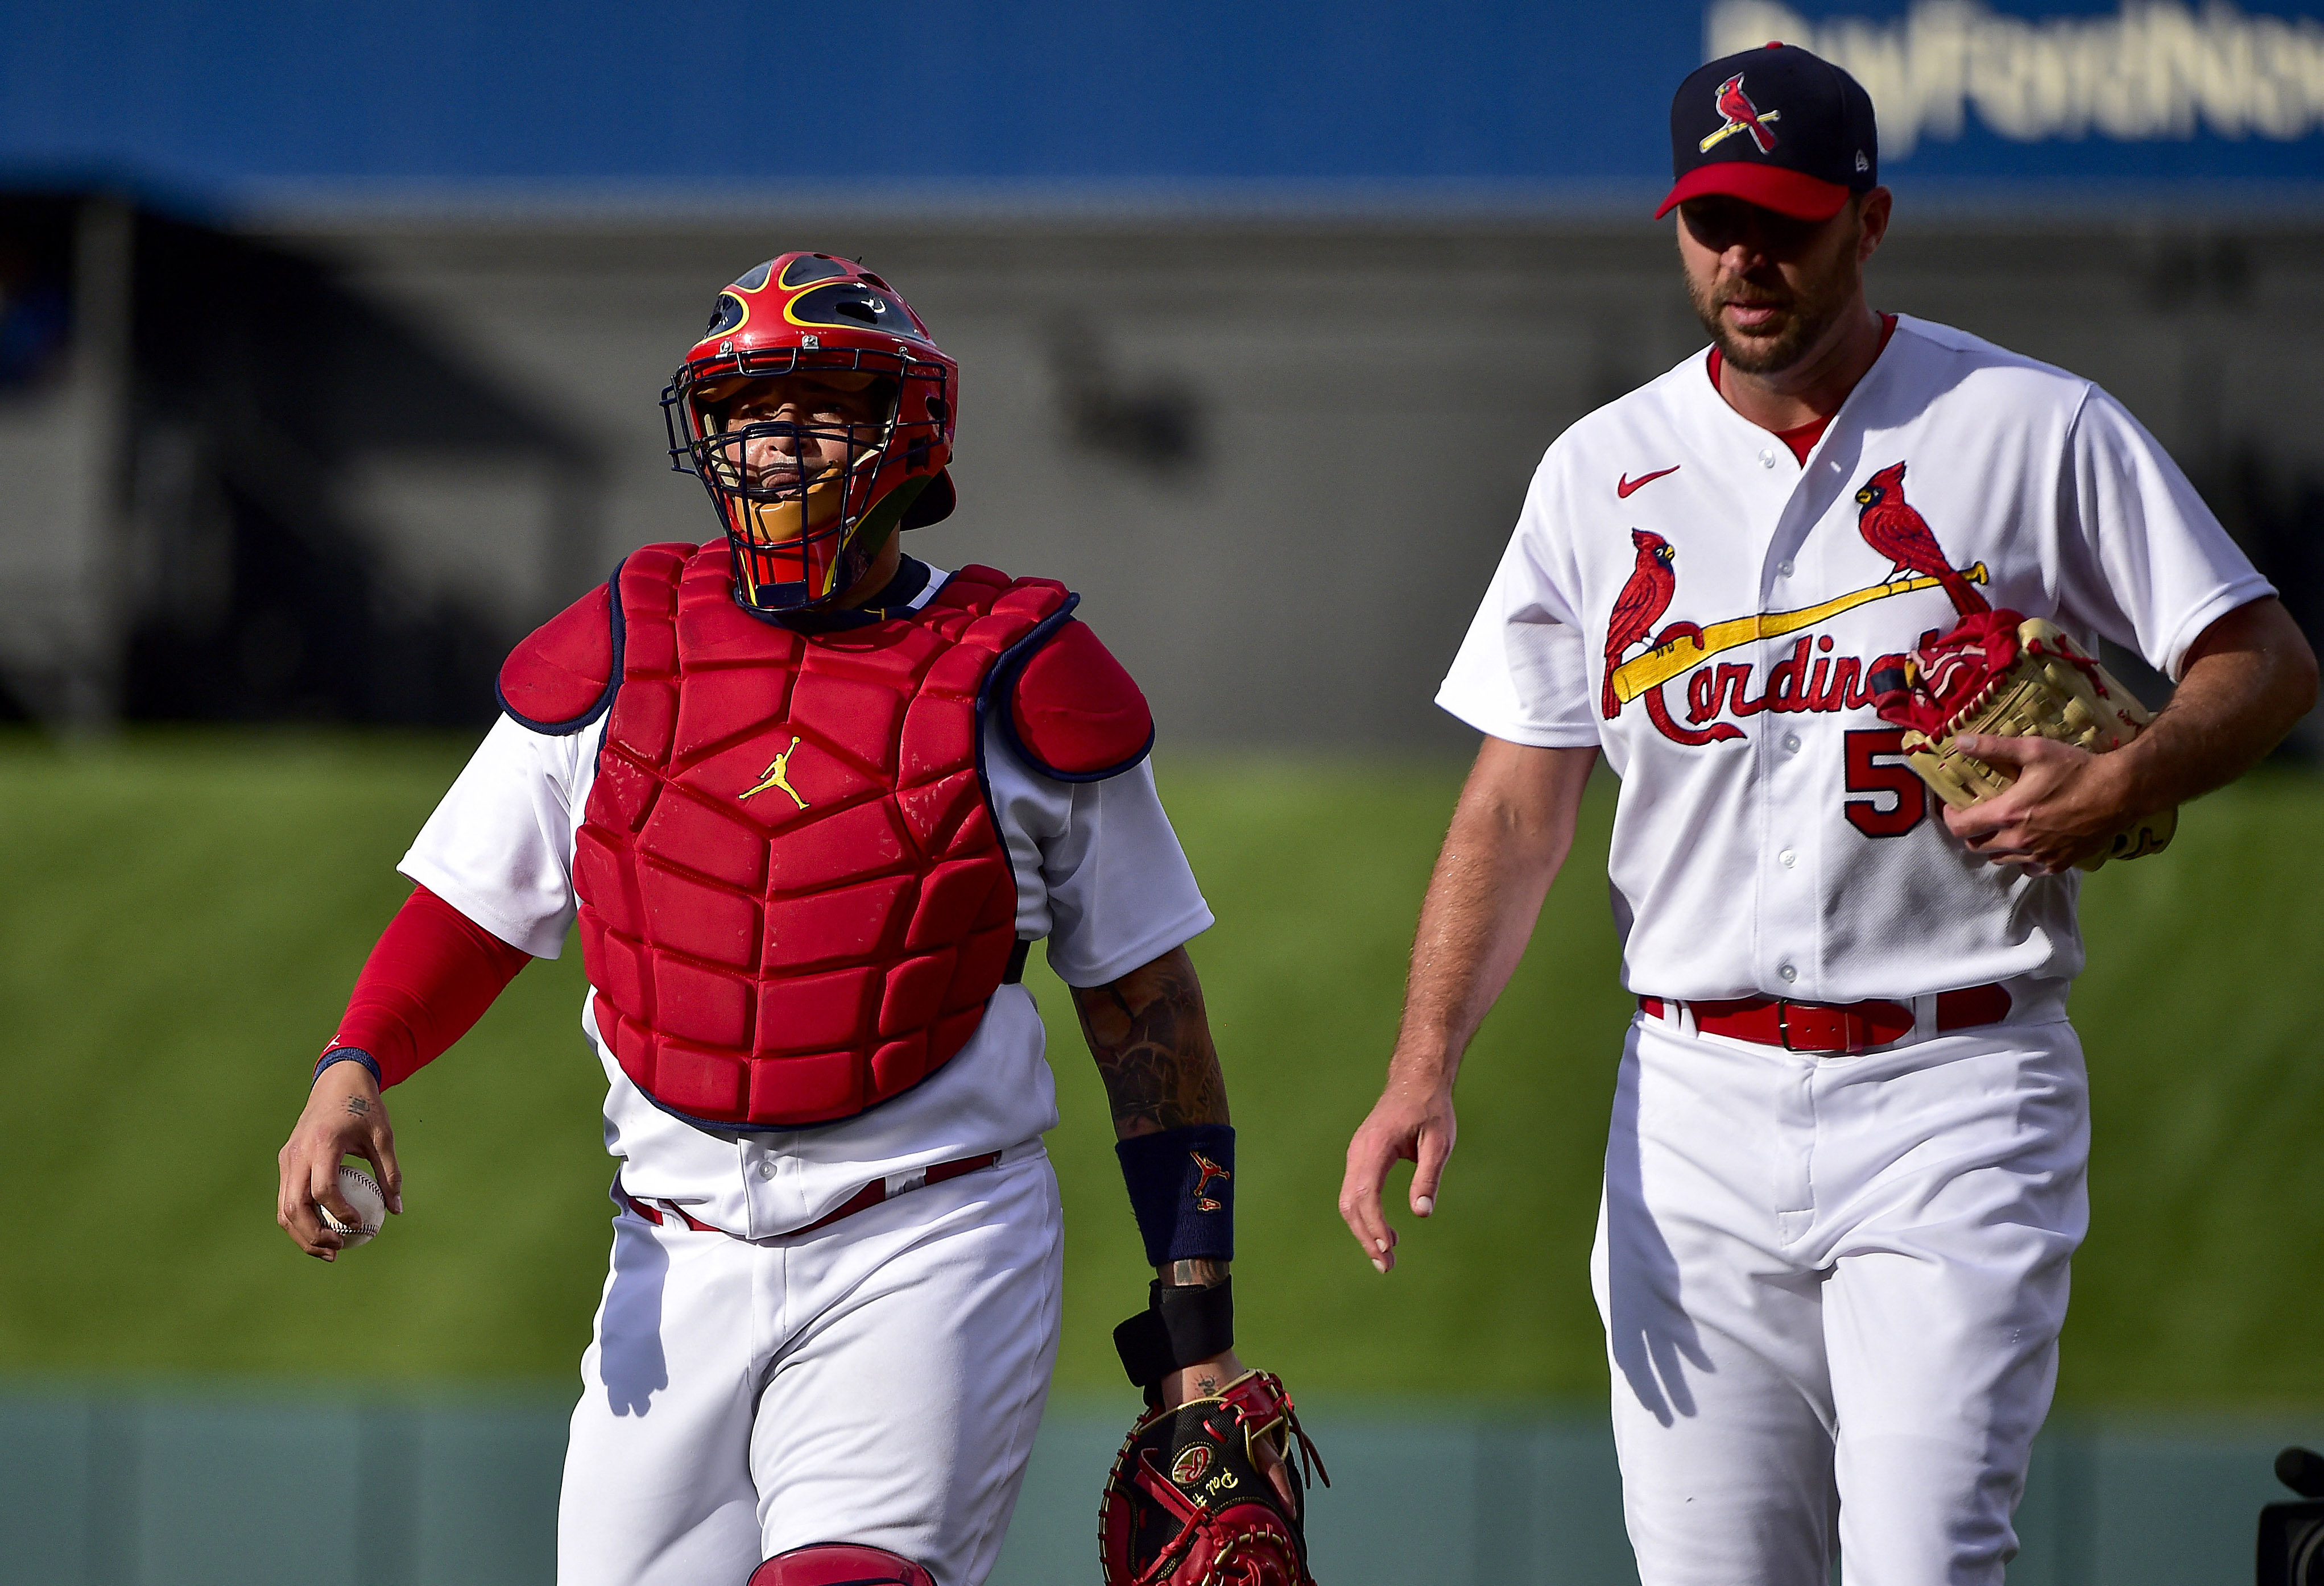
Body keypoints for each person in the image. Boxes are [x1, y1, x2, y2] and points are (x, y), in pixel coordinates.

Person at [1338, 43, 2317, 1586]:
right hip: (1689, 1102)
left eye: (1785, 220)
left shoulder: (2024, 424)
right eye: (1713, 218)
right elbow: (1515, 810)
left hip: (1952, 1087)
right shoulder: (1597, 474)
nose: (1745, 257)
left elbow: (2260, 659)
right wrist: (1419, 1062)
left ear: (1866, 222)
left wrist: (2129, 774)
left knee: (1925, 1560)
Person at [275, 252, 1292, 1586]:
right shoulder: (626, 644)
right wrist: (354, 1062)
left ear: (906, 426)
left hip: (929, 1238)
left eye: (814, 403)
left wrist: (1193, 1332)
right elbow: (477, 902)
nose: (769, 439)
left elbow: (1147, 1013)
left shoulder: (1023, 675)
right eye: (745, 409)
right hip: (671, 1246)